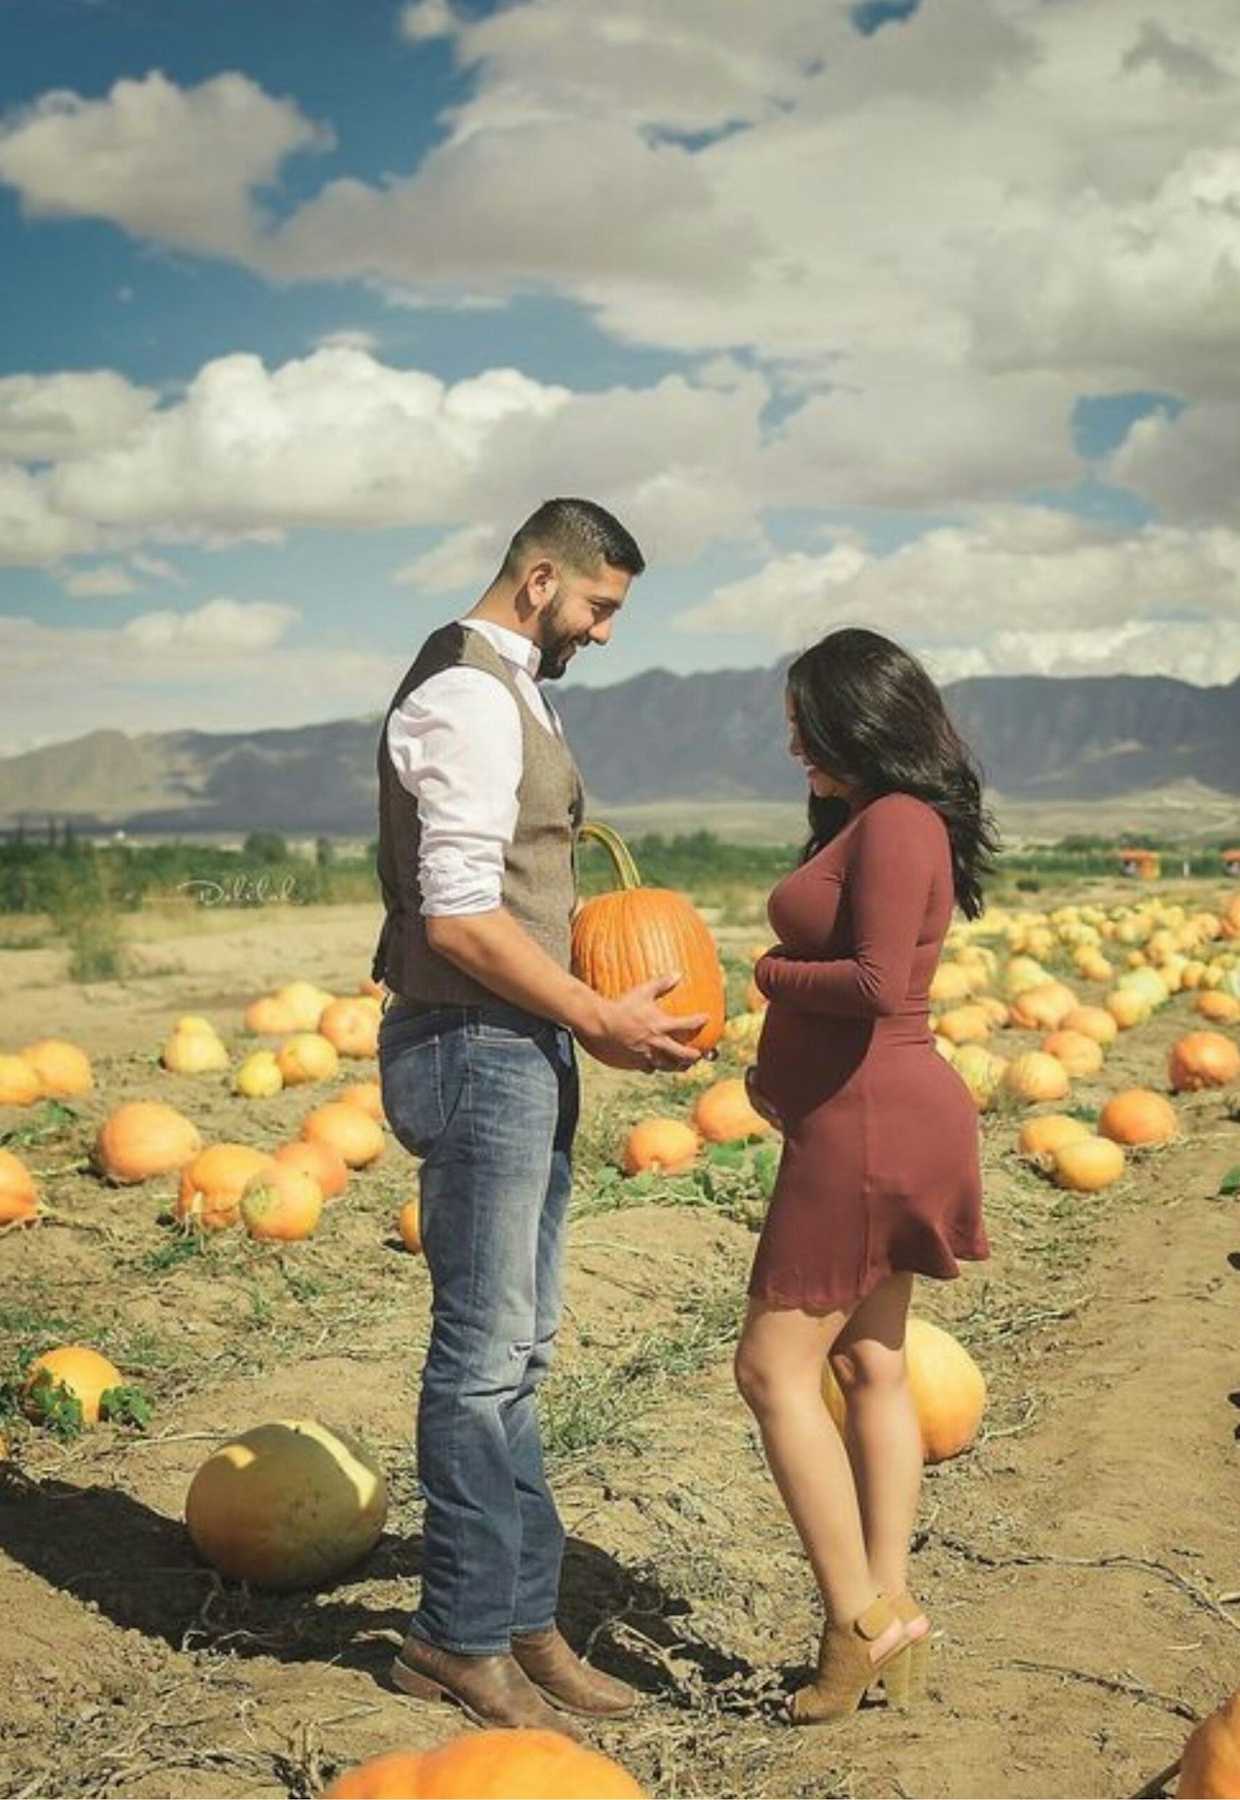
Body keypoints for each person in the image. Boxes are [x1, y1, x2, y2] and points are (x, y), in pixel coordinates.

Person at [372, 497, 706, 1737]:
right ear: (540, 579)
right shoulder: (466, 693)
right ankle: (455, 1640)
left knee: (518, 1354)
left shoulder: (511, 681)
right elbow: (460, 919)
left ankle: (520, 1623)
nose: (607, 632)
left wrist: (580, 1017)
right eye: (600, 607)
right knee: (479, 1361)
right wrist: (600, 1016)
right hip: (474, 1043)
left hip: (516, 1041)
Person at [735, 626, 996, 1726]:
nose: (793, 740)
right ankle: (891, 1603)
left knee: (770, 1371)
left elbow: (880, 982)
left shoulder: (892, 822)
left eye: (807, 718)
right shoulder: (889, 821)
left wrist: (766, 975)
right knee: (873, 1366)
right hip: (877, 1114)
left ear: (863, 718)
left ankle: (857, 1619)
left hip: (872, 1126)